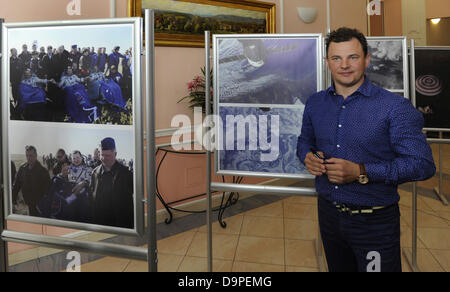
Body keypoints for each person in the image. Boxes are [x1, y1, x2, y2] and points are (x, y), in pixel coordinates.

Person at [297, 27, 436, 272]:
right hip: (329, 216)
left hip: (374, 222)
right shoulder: (315, 102)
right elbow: (304, 142)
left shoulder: (395, 107)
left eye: (353, 57)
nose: (344, 65)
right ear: (327, 62)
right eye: (336, 58)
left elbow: (422, 164)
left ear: (367, 59)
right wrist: (308, 156)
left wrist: (361, 171)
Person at [89, 138, 134, 228]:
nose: (104, 158)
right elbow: (92, 197)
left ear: (115, 154)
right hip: (100, 222)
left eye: (108, 155)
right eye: (102, 155)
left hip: (120, 223)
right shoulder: (95, 173)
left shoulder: (126, 174)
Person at [12, 146, 51, 217]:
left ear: (36, 156)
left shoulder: (43, 171)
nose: (28, 158)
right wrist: (13, 198)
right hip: (27, 204)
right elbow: (16, 185)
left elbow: (48, 191)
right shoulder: (22, 169)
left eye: (31, 155)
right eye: (27, 155)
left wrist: (44, 205)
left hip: (39, 206)